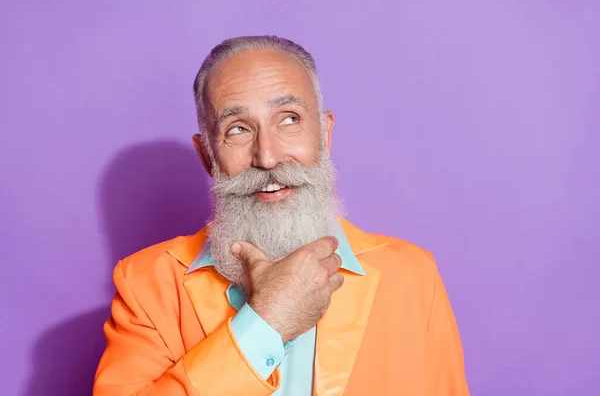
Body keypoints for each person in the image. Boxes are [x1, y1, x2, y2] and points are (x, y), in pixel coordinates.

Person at [94, 35, 469, 396]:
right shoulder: (147, 284)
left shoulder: (412, 275)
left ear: (324, 134)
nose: (268, 157)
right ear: (207, 155)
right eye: (237, 129)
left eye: (289, 119)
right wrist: (266, 324)